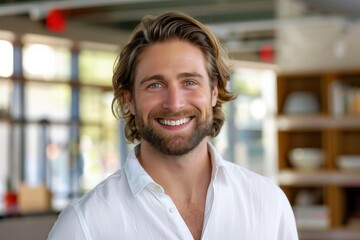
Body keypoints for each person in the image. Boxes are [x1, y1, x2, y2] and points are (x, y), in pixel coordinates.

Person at [48, 11, 298, 240]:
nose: (175, 103)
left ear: (213, 92)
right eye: (155, 85)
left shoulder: (268, 203)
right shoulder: (84, 226)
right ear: (129, 101)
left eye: (189, 82)